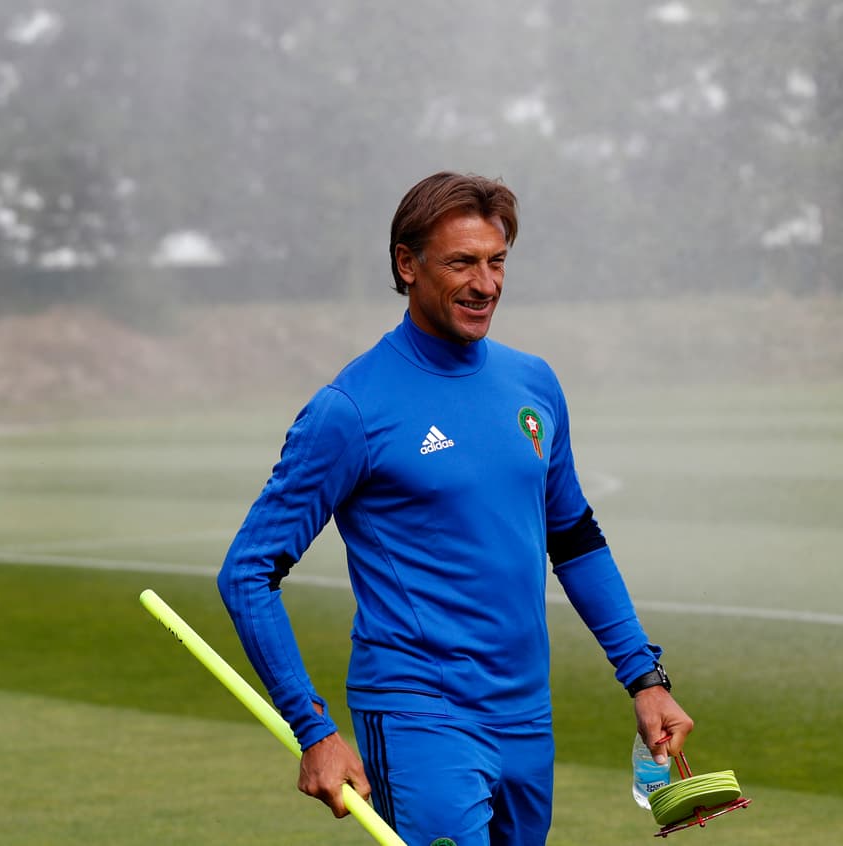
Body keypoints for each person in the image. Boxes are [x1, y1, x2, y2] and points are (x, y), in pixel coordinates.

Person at [217, 171, 692, 846]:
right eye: (462, 263)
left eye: (497, 262)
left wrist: (645, 678)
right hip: (420, 714)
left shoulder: (533, 382)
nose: (486, 283)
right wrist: (312, 727)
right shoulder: (349, 410)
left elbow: (576, 538)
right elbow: (248, 572)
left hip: (526, 714)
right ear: (407, 265)